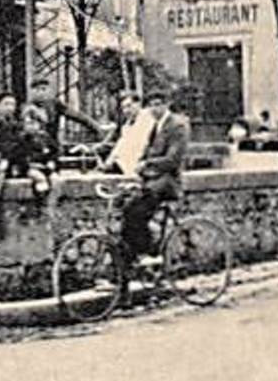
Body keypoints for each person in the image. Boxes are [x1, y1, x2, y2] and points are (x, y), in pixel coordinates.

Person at [116, 89, 191, 262]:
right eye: (151, 106)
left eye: (158, 104)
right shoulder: (155, 125)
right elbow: (146, 152)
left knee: (135, 212)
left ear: (166, 105)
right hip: (152, 179)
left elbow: (172, 159)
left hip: (168, 181)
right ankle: (130, 265)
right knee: (125, 207)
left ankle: (149, 254)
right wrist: (137, 168)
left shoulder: (177, 125)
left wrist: (147, 164)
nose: (154, 109)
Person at [28, 76, 112, 149]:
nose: (41, 93)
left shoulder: (54, 104)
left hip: (52, 148)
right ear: (32, 92)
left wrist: (96, 127)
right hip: (33, 149)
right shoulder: (27, 108)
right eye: (37, 90)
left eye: (43, 89)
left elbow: (77, 116)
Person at [13, 103, 59, 196]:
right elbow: (18, 155)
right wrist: (27, 164)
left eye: (34, 123)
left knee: (55, 180)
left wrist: (51, 161)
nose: (31, 126)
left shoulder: (45, 138)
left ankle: (52, 203)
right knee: (39, 178)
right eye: (28, 123)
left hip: (45, 166)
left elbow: (55, 151)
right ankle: (40, 199)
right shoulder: (22, 139)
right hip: (28, 168)